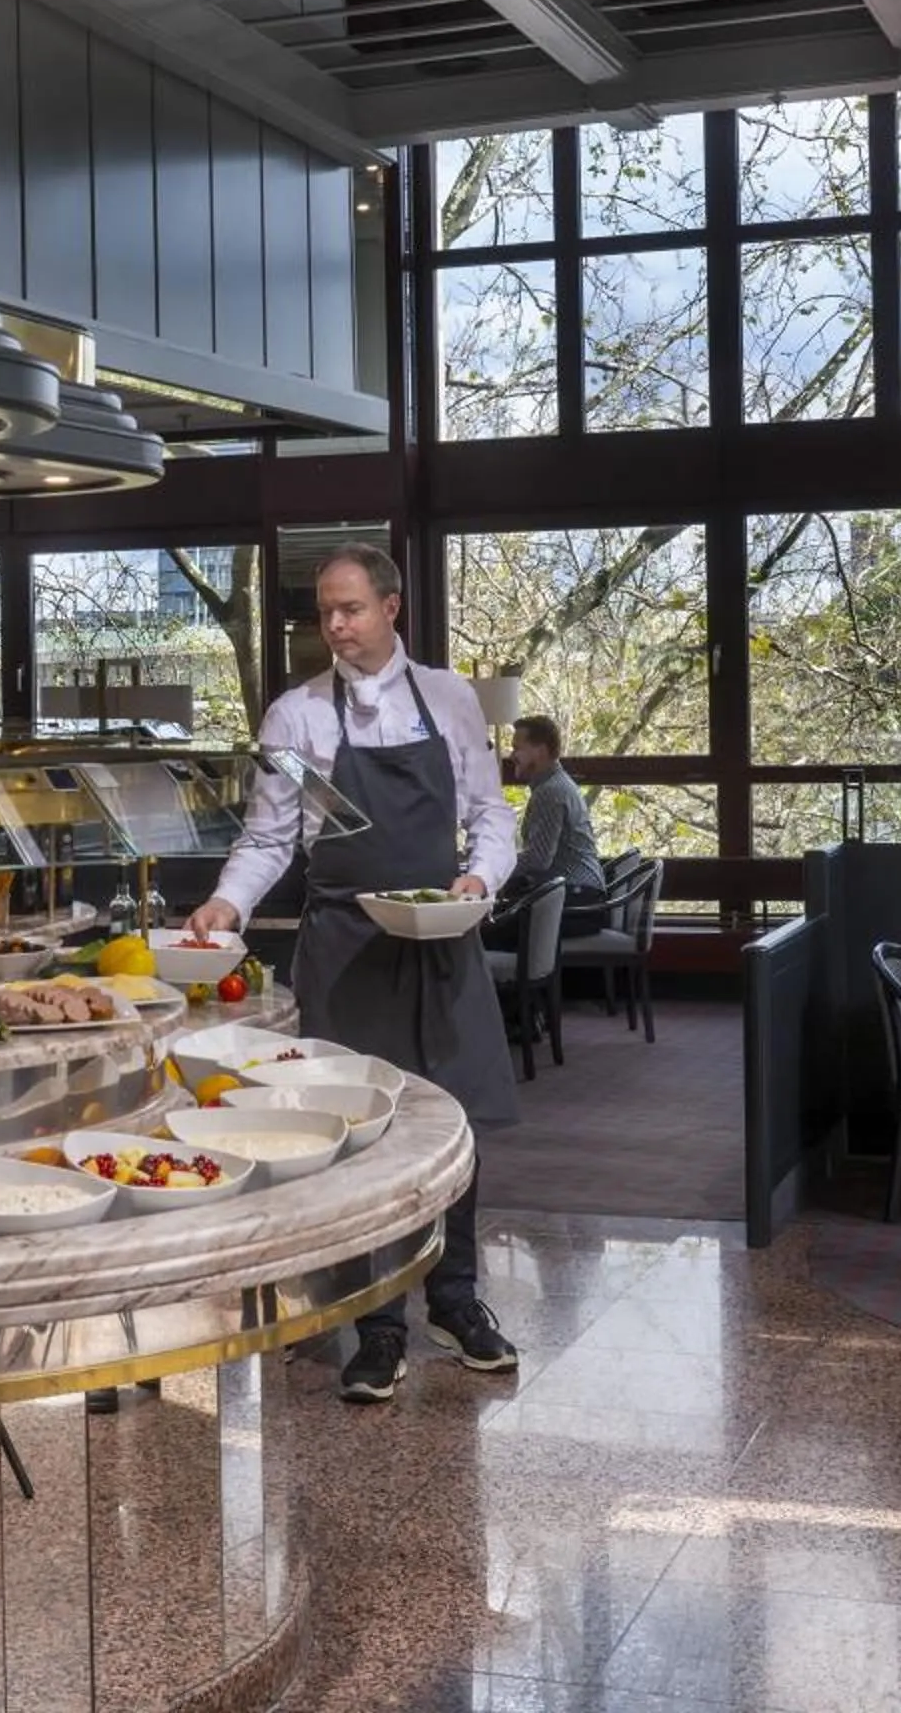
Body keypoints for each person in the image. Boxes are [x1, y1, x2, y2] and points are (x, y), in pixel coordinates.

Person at [187, 544, 519, 1402]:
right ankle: (376, 1324)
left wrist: (477, 881)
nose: (335, 626)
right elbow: (267, 839)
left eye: (351, 610)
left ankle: (456, 1299)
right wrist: (227, 905)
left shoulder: (448, 698)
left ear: (392, 608)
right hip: (341, 944)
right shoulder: (294, 716)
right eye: (324, 613)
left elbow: (491, 818)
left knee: (456, 1130)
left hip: (439, 936)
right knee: (355, 1132)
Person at [505, 715, 603, 896]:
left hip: (577, 896)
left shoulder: (550, 792)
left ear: (541, 751)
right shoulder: (555, 784)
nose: (512, 756)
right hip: (578, 891)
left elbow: (538, 859)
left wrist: (494, 868)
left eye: (517, 748)